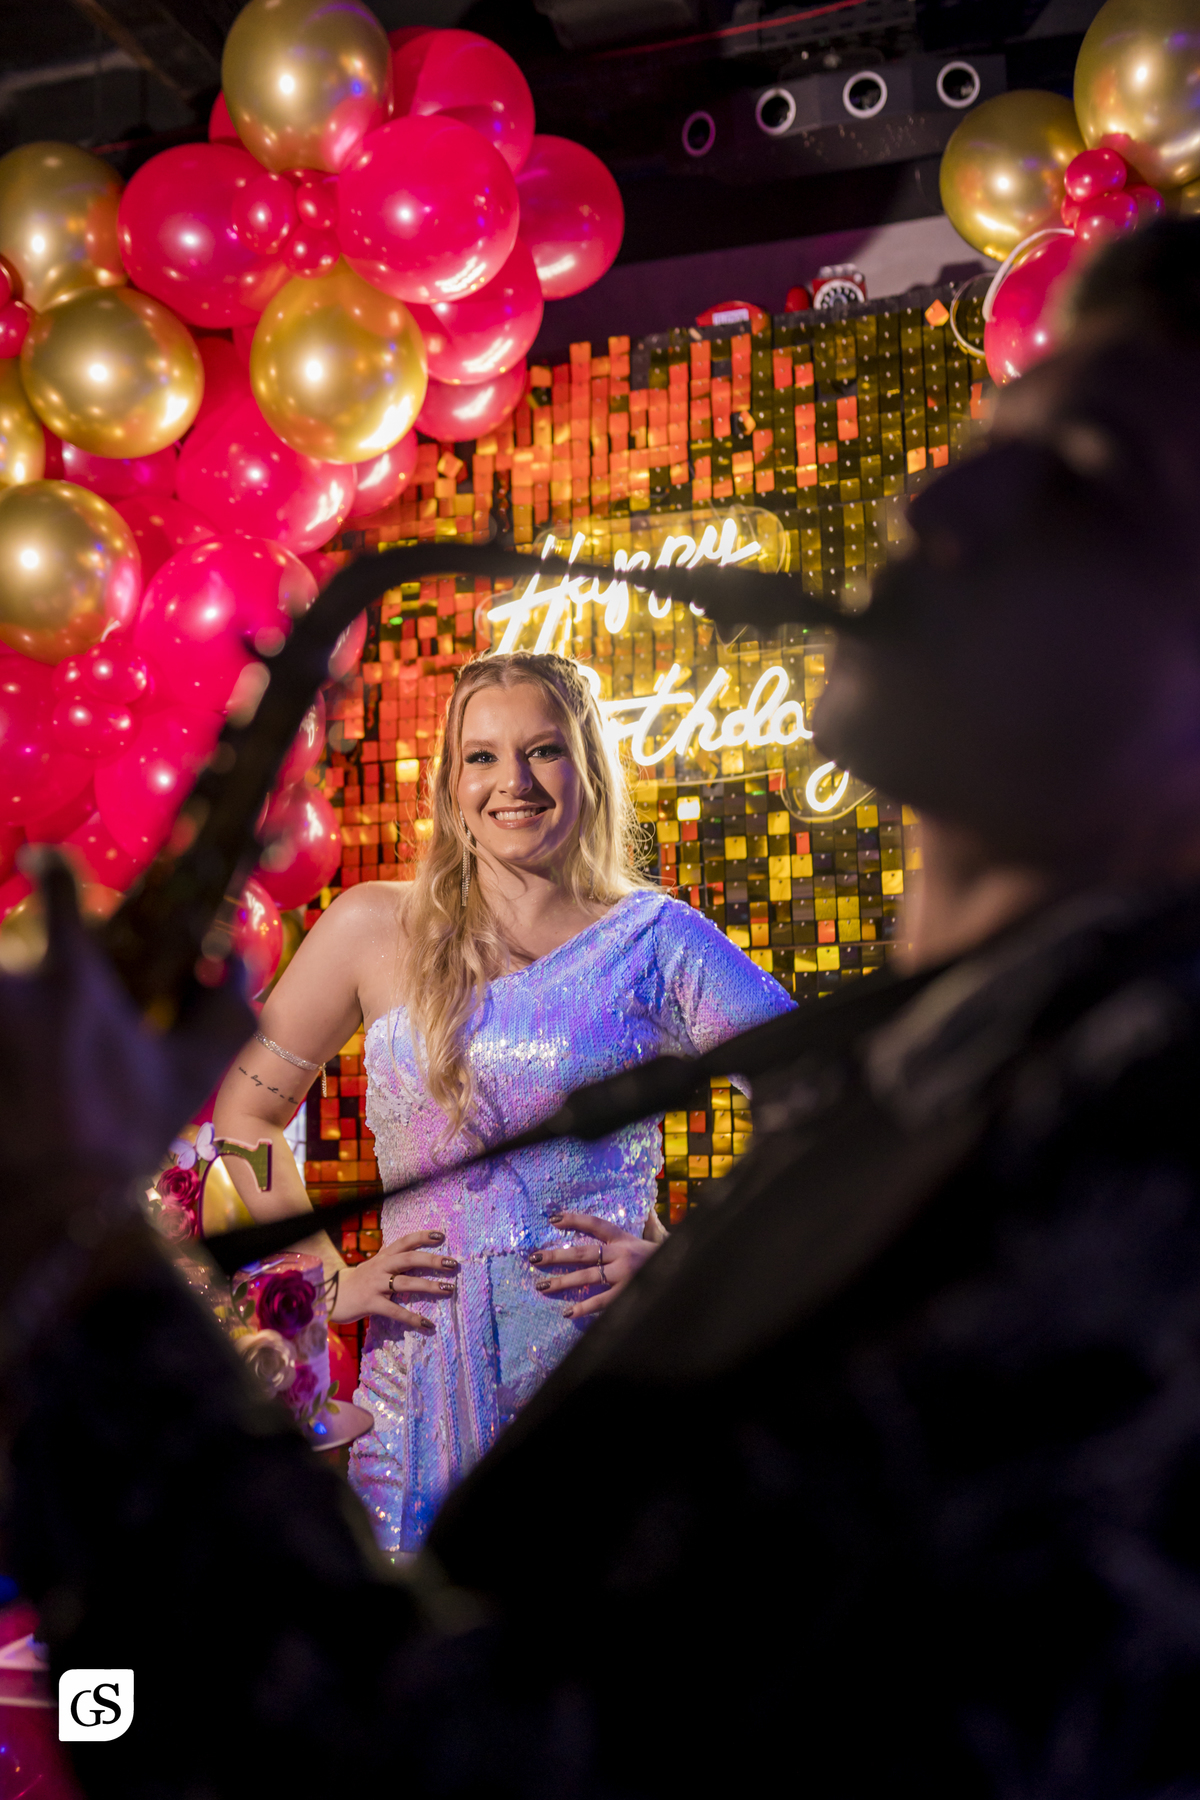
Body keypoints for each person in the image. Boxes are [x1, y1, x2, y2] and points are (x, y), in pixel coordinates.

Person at [10, 222, 1200, 1798]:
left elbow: (432, 1771)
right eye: (995, 441)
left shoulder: (1144, 1150)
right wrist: (307, 1259)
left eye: (1087, 474)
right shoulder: (967, 1077)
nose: (939, 496)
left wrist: (60, 1253)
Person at [212, 649, 794, 1552]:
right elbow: (245, 1112)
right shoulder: (372, 927)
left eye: (543, 751)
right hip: (413, 1391)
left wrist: (687, 1269)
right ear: (450, 783)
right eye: (481, 756)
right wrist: (324, 1280)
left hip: (598, 1383)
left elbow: (829, 1094)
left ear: (589, 768)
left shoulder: (658, 942)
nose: (511, 783)